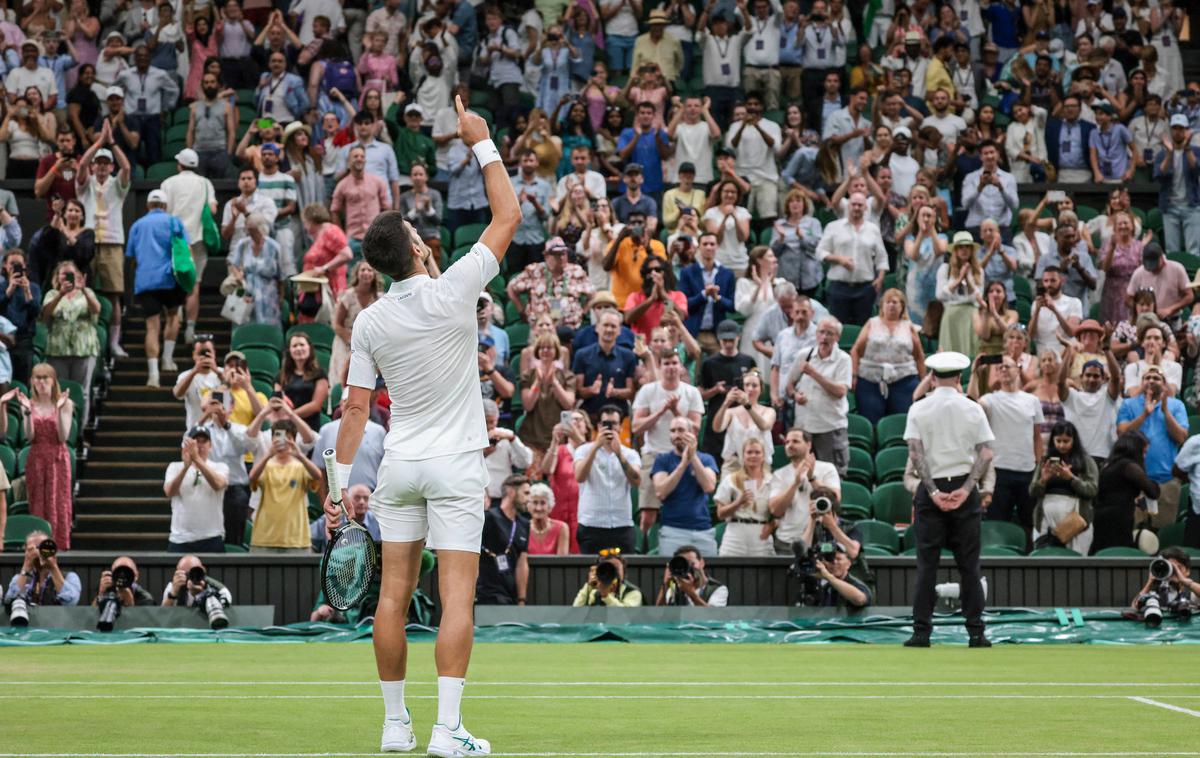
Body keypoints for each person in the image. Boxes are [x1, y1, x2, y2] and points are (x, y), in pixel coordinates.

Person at [323, 98, 517, 755]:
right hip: (457, 465)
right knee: (456, 598)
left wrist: (337, 482)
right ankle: (447, 729)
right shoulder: (457, 286)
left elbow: (353, 411)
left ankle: (394, 725)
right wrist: (481, 140)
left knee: (393, 598)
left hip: (398, 469)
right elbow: (508, 215)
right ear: (416, 247)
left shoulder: (369, 320)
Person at [904, 351, 994, 647]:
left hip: (932, 491)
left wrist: (932, 492)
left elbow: (915, 456)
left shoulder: (918, 408)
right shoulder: (973, 408)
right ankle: (976, 633)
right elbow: (985, 454)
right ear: (959, 378)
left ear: (932, 377)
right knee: (969, 566)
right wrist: (967, 490)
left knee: (927, 566)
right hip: (964, 489)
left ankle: (921, 633)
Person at [976, 356, 1044, 531]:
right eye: (999, 368)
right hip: (999, 471)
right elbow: (973, 404)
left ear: (1018, 369)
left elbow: (1037, 436)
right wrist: (976, 374)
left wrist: (1038, 465)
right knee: (997, 524)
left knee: (1030, 524)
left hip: (1027, 470)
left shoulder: (1032, 400)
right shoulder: (990, 399)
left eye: (1007, 366)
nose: (1003, 369)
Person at [1117, 367, 1188, 527]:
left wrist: (1165, 411)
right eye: (1147, 378)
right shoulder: (1129, 404)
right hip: (1134, 481)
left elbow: (1181, 437)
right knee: (1134, 532)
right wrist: (1145, 414)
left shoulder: (1176, 405)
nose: (1151, 380)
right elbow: (1122, 434)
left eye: (1156, 378)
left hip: (1166, 482)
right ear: (1141, 383)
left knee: (1161, 536)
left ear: (1164, 384)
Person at [16, 364, 75, 550]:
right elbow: (29, 436)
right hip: (37, 459)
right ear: (32, 381)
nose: (41, 382)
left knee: (58, 502)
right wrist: (26, 411)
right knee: (38, 501)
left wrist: (57, 410)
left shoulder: (65, 403)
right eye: (37, 378)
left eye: (45, 378)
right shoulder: (28, 404)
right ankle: (38, 546)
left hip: (57, 458)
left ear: (53, 381)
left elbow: (63, 436)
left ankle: (58, 545)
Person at [784, 316, 852, 475]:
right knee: (801, 474)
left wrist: (814, 373)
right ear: (816, 334)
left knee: (831, 474)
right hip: (804, 427)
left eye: (830, 333)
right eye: (821, 332)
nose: (824, 337)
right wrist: (795, 396)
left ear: (837, 337)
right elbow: (789, 385)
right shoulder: (804, 355)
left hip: (830, 427)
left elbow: (840, 392)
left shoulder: (843, 360)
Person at [574, 404, 641, 555]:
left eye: (614, 424)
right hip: (591, 524)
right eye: (606, 424)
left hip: (621, 524)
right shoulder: (583, 450)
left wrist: (619, 454)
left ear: (620, 427)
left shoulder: (630, 454)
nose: (610, 428)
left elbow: (636, 481)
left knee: (624, 572)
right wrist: (596, 447)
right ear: (598, 426)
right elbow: (580, 476)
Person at [849, 288, 924, 424]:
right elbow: (855, 350)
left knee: (901, 422)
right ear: (882, 306)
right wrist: (854, 376)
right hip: (870, 380)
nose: (891, 305)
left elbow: (919, 356)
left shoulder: (909, 326)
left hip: (904, 380)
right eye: (888, 302)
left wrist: (924, 380)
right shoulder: (872, 323)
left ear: (902, 307)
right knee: (871, 422)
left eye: (895, 302)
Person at [40, 260, 100, 426]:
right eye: (63, 274)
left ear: (79, 276)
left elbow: (97, 310)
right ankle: (63, 429)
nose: (67, 277)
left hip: (84, 349)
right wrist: (60, 294)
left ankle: (79, 432)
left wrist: (85, 291)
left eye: (71, 274)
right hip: (58, 350)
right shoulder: (52, 294)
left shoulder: (87, 293)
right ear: (57, 277)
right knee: (60, 391)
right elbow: (46, 314)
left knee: (82, 392)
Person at [248, 418, 321, 554]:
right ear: (272, 440)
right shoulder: (266, 466)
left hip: (296, 539)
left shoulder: (301, 467)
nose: (283, 442)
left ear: (294, 440)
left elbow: (317, 476)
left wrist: (300, 455)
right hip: (264, 539)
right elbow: (252, 477)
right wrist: (268, 455)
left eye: (288, 438)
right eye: (279, 437)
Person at [816, 192, 887, 327]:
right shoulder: (833, 227)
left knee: (862, 330)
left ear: (866, 208)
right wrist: (839, 259)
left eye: (860, 205)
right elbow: (820, 252)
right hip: (839, 287)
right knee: (837, 329)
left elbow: (882, 256)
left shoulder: (873, 229)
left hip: (865, 288)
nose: (856, 207)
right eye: (854, 204)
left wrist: (880, 278)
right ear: (848, 206)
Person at [1029, 420, 1099, 555]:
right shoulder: (1046, 461)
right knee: (1044, 556)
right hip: (1045, 520)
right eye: (1058, 441)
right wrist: (1043, 480)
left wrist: (1071, 478)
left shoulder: (1085, 461)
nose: (1062, 445)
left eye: (1066, 441)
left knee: (1075, 559)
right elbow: (1032, 492)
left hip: (1076, 520)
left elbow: (1092, 490)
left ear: (1074, 440)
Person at [651, 416, 719, 556]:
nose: (676, 435)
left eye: (681, 430)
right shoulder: (662, 460)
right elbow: (661, 492)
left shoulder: (706, 459)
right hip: (672, 531)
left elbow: (709, 487)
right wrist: (683, 465)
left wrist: (692, 457)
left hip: (703, 530)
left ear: (692, 433)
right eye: (673, 431)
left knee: (708, 574)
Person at [161, 425, 229, 553]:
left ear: (210, 445)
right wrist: (185, 468)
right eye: (196, 441)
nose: (200, 445)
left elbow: (218, 484)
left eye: (204, 441)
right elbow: (169, 491)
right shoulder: (175, 467)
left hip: (212, 537)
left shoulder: (220, 467)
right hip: (181, 539)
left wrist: (197, 460)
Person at [1091, 432, 1160, 554]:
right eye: (1143, 452)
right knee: (1119, 553)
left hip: (1101, 516)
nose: (1144, 457)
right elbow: (1152, 492)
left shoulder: (1108, 465)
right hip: (1120, 518)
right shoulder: (1129, 466)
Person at [1058, 342, 1122, 464]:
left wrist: (1107, 348)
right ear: (1081, 377)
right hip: (1074, 455)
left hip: (1101, 455)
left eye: (1096, 376)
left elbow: (1116, 377)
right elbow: (1060, 382)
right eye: (1088, 375)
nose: (1091, 379)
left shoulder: (1107, 397)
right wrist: (1069, 352)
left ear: (1103, 379)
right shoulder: (1072, 396)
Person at [476, 474, 531, 607]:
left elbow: (522, 562)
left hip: (510, 596)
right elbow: (473, 554)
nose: (528, 499)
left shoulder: (524, 524)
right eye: (525, 493)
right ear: (511, 492)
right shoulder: (489, 518)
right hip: (485, 594)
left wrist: (521, 599)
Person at [714, 438, 774, 556]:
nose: (753, 456)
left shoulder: (773, 481)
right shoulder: (731, 479)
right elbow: (720, 514)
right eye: (749, 452)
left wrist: (771, 525)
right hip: (735, 534)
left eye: (757, 452)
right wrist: (738, 503)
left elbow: (779, 513)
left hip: (761, 535)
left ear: (763, 456)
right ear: (743, 456)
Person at [226, 213, 286, 327]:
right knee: (245, 327)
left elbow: (281, 275)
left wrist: (281, 297)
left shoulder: (274, 247)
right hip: (247, 293)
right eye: (249, 230)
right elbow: (233, 264)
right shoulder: (242, 244)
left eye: (253, 230)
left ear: (262, 229)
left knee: (269, 327)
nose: (251, 233)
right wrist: (238, 274)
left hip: (269, 295)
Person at [1153, 114, 1200, 256]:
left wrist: (1187, 149)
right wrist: (1169, 154)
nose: (1178, 132)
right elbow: (1159, 176)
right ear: (1171, 130)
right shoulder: (1162, 154)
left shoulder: (1196, 151)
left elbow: (1197, 170)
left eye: (1181, 128)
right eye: (1175, 128)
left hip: (1191, 205)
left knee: (1194, 250)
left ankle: (1195, 278)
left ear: (1187, 131)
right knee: (1171, 251)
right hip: (1170, 206)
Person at [935, 231, 984, 357]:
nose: (964, 250)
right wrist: (958, 279)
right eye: (961, 247)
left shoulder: (978, 271)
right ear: (955, 250)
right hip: (951, 315)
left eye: (968, 247)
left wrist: (969, 279)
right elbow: (940, 295)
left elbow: (979, 297)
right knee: (950, 354)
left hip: (972, 315)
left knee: (971, 352)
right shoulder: (945, 269)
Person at [4, 531, 82, 608]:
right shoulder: (18, 579)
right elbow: (9, 602)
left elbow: (70, 603)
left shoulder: (70, 577)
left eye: (41, 547)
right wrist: (26, 566)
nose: (37, 552)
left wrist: (53, 567)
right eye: (31, 549)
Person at [276, 332, 330, 432]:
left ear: (309, 348)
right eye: (294, 346)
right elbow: (276, 399)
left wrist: (291, 415)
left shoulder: (319, 374)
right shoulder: (281, 375)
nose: (298, 348)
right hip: (286, 426)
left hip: (309, 426)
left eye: (302, 345)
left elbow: (316, 405)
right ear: (289, 351)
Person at [654, 544, 728, 606]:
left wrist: (691, 593)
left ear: (702, 563)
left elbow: (714, 616)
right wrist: (665, 585)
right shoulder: (674, 588)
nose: (689, 568)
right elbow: (659, 615)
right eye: (685, 565)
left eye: (692, 564)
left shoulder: (718, 588)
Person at [573, 549, 644, 606]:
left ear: (623, 572)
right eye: (607, 568)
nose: (612, 572)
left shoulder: (632, 592)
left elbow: (625, 616)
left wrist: (606, 596)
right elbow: (575, 613)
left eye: (616, 568)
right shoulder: (593, 592)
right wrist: (588, 586)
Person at [161, 554, 234, 609]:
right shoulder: (173, 587)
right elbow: (163, 615)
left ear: (203, 570)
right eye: (186, 574)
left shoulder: (220, 590)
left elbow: (223, 614)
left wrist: (201, 596)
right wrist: (173, 594)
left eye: (195, 572)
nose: (192, 577)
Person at [526, 482, 568, 556]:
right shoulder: (523, 528)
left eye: (543, 503)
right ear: (529, 507)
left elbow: (562, 563)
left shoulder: (561, 528)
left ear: (550, 507)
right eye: (535, 503)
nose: (538, 508)